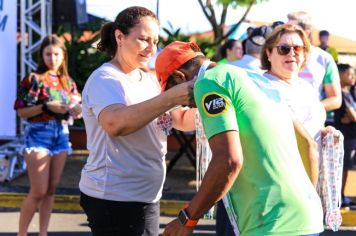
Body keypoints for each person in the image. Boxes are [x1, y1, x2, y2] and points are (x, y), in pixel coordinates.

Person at [157, 41, 323, 236]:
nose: (182, 103)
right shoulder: (255, 79)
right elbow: (307, 144)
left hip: (270, 223)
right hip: (306, 216)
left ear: (179, 77)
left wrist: (187, 219)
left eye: (173, 92)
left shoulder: (209, 82)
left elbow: (229, 160)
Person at [78, 6, 196, 236]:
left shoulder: (148, 80)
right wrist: (171, 96)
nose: (151, 48)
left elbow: (178, 119)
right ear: (119, 36)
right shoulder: (106, 78)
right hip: (114, 198)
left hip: (146, 195)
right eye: (143, 39)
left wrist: (214, 110)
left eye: (155, 41)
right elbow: (117, 124)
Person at [14, 35, 82, 236]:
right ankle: (22, 233)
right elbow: (21, 111)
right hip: (38, 135)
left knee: (51, 191)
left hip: (61, 135)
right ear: (42, 55)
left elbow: (74, 109)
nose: (52, 58)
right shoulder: (33, 79)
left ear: (63, 56)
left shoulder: (67, 82)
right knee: (38, 191)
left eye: (56, 54)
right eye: (48, 54)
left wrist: (75, 110)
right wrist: (45, 106)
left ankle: (43, 233)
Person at [287, 11, 342, 124]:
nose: (286, 32)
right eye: (285, 27)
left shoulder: (324, 58)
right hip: (281, 124)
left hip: (311, 126)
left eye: (291, 29)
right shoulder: (278, 53)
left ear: (306, 31)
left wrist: (309, 110)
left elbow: (336, 99)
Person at [334, 63, 356, 207]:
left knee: (346, 167)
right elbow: (353, 116)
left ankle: (341, 196)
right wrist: (352, 117)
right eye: (349, 74)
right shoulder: (341, 93)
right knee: (342, 167)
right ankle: (339, 197)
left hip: (351, 135)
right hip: (345, 136)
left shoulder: (349, 92)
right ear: (340, 76)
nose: (352, 77)